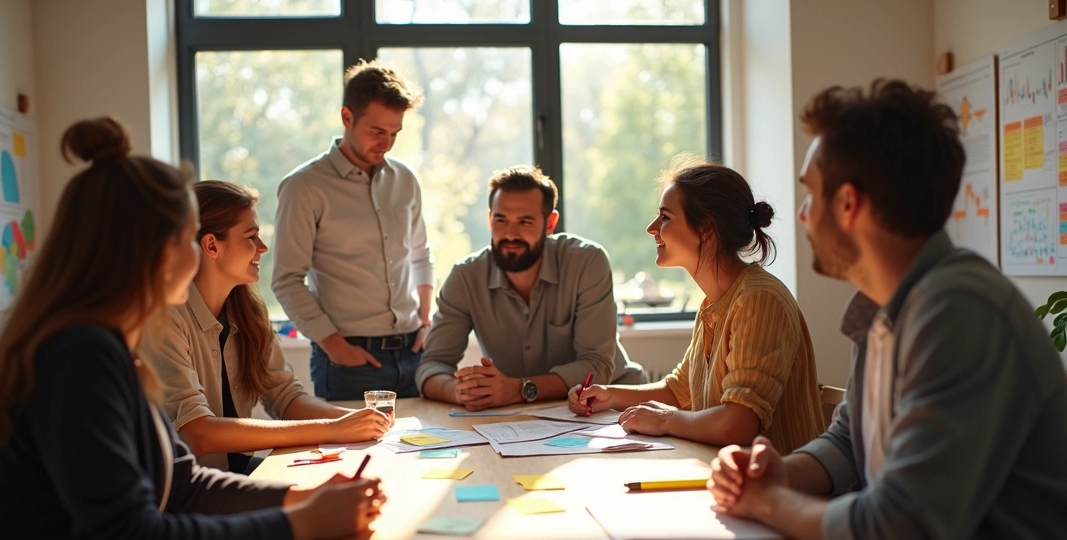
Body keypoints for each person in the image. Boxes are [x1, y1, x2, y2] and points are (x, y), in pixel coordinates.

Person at [0, 118, 384, 540]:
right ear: (156, 252)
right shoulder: (78, 357)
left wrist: (301, 498)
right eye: (188, 241)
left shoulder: (104, 346)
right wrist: (300, 524)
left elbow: (184, 484)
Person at [708, 80, 1067, 540]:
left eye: (811, 193)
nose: (802, 214)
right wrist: (784, 471)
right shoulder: (888, 307)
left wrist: (769, 503)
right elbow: (849, 440)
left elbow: (896, 532)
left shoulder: (958, 313)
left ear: (849, 203)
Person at [568, 157, 823, 454]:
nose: (652, 228)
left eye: (665, 217)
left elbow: (737, 424)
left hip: (781, 489)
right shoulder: (713, 304)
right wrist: (608, 395)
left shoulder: (759, 299)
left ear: (706, 229)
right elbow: (679, 391)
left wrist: (665, 420)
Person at [150, 180, 392, 473]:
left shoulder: (248, 313)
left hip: (238, 472)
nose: (262, 248)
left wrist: (361, 420)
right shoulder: (165, 318)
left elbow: (286, 397)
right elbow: (197, 433)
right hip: (189, 490)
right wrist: (332, 428)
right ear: (212, 245)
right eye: (251, 236)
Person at [417, 165, 645, 411]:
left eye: (524, 222)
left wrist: (519, 389)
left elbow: (597, 367)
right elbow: (431, 367)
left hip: (611, 407)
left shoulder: (587, 262)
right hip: (525, 418)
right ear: (489, 218)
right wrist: (462, 392)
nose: (510, 234)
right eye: (500, 220)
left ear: (550, 223)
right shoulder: (465, 277)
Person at [272, 59, 432, 401]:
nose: (387, 143)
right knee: (353, 457)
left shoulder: (405, 180)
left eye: (394, 133)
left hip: (414, 354)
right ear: (347, 117)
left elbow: (420, 254)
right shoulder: (304, 187)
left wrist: (425, 318)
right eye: (377, 131)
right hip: (350, 362)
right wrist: (335, 347)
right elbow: (286, 280)